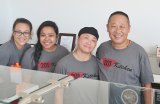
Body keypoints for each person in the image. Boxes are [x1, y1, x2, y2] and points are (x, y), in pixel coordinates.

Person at [96, 11, 153, 104]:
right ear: (107, 27)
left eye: (122, 26)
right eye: (113, 26)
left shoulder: (140, 52)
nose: (118, 31)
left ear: (129, 29)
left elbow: (147, 85)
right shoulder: (102, 48)